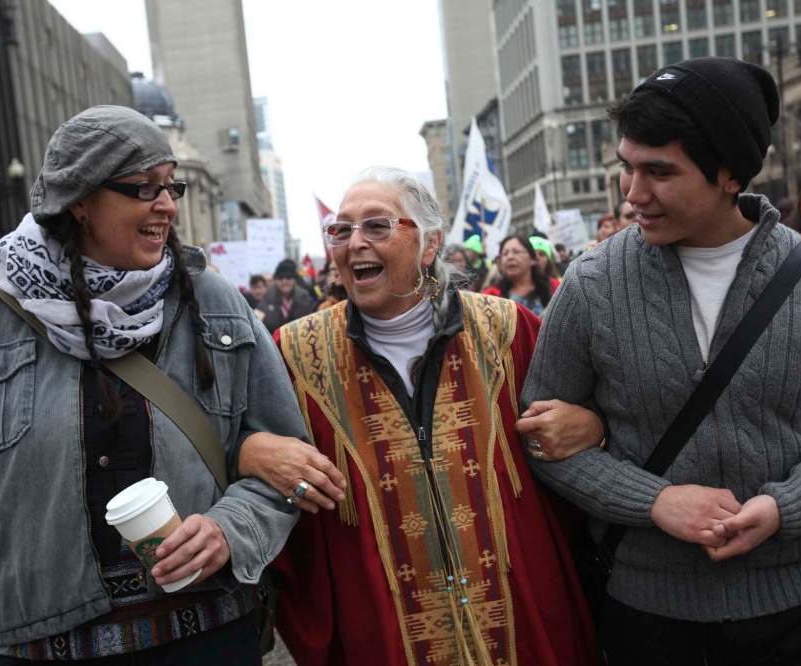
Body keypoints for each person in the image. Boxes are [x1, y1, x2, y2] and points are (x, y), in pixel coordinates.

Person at [0, 106, 308, 665]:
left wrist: (229, 530)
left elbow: (291, 468)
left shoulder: (214, 303)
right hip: (41, 646)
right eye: (143, 188)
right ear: (80, 201)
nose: (167, 205)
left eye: (171, 187)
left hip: (206, 639)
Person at [522, 57, 801, 665]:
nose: (634, 193)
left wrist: (786, 506)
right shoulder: (589, 283)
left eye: (660, 172)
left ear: (729, 173)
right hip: (646, 621)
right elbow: (542, 442)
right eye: (627, 167)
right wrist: (653, 500)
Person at [247, 167, 599, 665]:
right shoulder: (293, 354)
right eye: (341, 230)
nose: (355, 243)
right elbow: (239, 454)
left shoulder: (508, 329)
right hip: (378, 629)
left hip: (523, 618)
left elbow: (583, 434)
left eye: (377, 226)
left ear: (429, 245)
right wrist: (248, 449)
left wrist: (595, 426)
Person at [483, 235, 560, 317]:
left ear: (533, 260)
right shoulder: (490, 296)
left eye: (516, 252)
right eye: (505, 254)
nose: (510, 257)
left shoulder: (555, 288)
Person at [257, 258, 317, 333]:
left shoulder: (306, 299)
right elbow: (257, 326)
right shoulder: (266, 298)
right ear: (275, 280)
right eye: (280, 278)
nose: (284, 281)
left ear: (294, 279)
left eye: (288, 277)